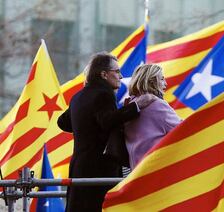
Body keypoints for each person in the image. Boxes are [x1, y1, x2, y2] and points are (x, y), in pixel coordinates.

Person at [57, 52, 153, 212]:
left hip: (79, 166)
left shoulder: (78, 96)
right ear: (104, 74)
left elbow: (63, 122)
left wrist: (86, 127)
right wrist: (137, 106)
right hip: (100, 168)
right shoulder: (104, 94)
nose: (121, 77)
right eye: (117, 71)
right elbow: (107, 120)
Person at [124, 64, 181, 168]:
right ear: (151, 82)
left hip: (136, 168)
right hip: (156, 166)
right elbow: (182, 129)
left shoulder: (131, 104)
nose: (166, 83)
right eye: (162, 79)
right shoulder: (156, 105)